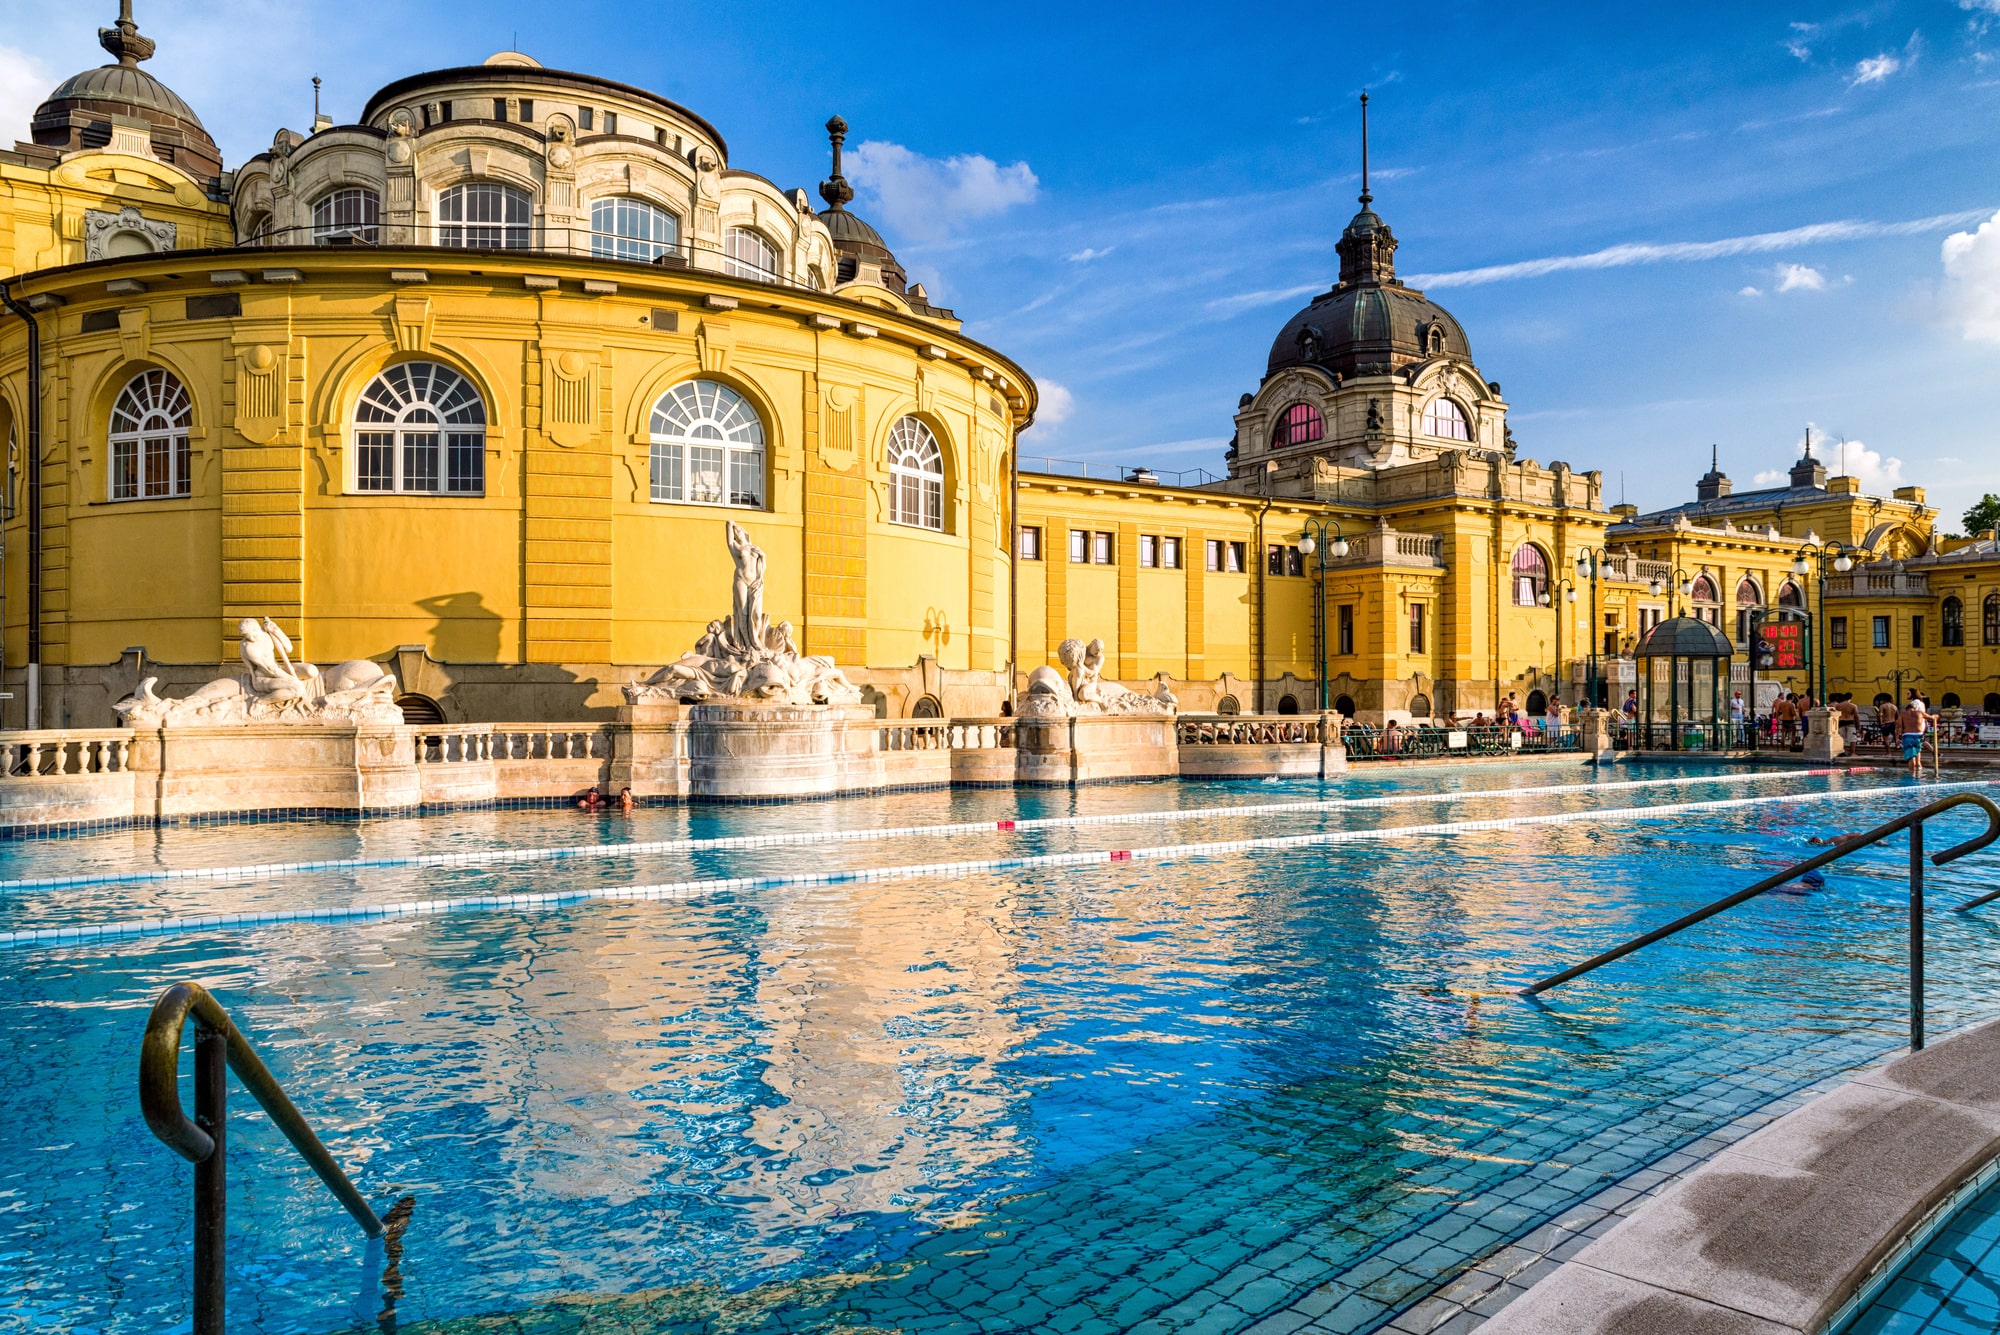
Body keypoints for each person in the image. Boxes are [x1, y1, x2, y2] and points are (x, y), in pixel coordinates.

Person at [1897, 693, 1928, 777]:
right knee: (1918, 759)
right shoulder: (1920, 713)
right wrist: (1935, 717)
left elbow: (1899, 727)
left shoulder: (1903, 714)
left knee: (1911, 758)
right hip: (1918, 736)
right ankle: (1919, 774)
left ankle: (1912, 775)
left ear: (1907, 708)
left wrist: (1897, 738)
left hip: (1908, 736)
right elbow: (1931, 718)